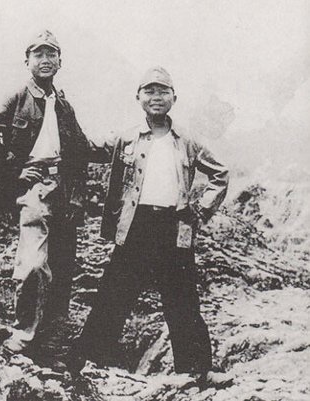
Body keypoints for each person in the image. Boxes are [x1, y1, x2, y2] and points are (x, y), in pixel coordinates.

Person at [67, 66, 232, 386]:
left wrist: (200, 210)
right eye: (150, 91)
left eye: (163, 91)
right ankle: (86, 362)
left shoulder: (187, 140)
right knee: (114, 294)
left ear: (174, 98)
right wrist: (64, 115)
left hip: (174, 226)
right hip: (136, 226)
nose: (156, 97)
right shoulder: (126, 137)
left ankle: (198, 370)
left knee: (183, 299)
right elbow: (88, 148)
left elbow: (220, 174)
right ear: (138, 97)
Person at [0, 30, 91, 357]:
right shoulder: (16, 99)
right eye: (38, 54)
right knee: (34, 264)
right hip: (34, 189)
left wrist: (77, 197)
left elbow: (79, 152)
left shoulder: (64, 105)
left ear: (60, 62)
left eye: (51, 54)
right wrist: (15, 174)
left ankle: (52, 339)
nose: (45, 60)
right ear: (27, 61)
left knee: (63, 266)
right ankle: (24, 333)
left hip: (63, 189)